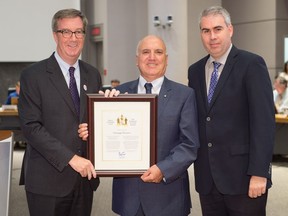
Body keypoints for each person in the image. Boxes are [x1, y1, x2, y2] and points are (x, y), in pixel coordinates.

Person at [79, 35, 200, 216]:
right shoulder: (117, 94)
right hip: (128, 199)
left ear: (166, 60)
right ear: (137, 60)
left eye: (158, 52)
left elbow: (190, 145)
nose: (152, 57)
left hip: (168, 198)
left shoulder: (185, 95)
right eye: (145, 52)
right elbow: (106, 137)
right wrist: (92, 131)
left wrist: (163, 169)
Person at [188, 6, 275, 216]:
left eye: (217, 29)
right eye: (205, 31)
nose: (212, 36)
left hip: (244, 179)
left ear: (230, 30)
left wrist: (259, 173)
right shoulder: (196, 70)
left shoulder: (251, 64)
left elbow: (263, 123)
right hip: (208, 180)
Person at [18, 8, 102, 216]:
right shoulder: (33, 76)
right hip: (47, 182)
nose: (73, 38)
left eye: (78, 32)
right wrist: (71, 158)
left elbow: (94, 118)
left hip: (84, 181)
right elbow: (31, 128)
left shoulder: (93, 74)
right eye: (66, 32)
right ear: (55, 35)